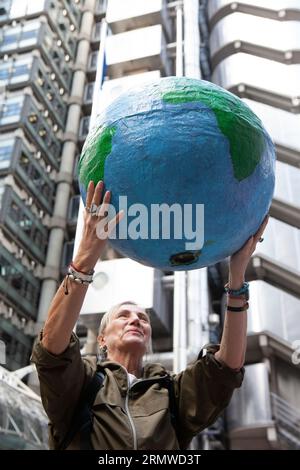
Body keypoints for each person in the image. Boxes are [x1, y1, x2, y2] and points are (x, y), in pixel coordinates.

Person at [31, 180, 269, 450]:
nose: (135, 320)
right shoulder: (85, 383)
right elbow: (51, 350)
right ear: (101, 339)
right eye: (123, 316)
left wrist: (237, 279)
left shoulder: (172, 393)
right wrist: (85, 258)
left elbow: (226, 368)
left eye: (143, 318)